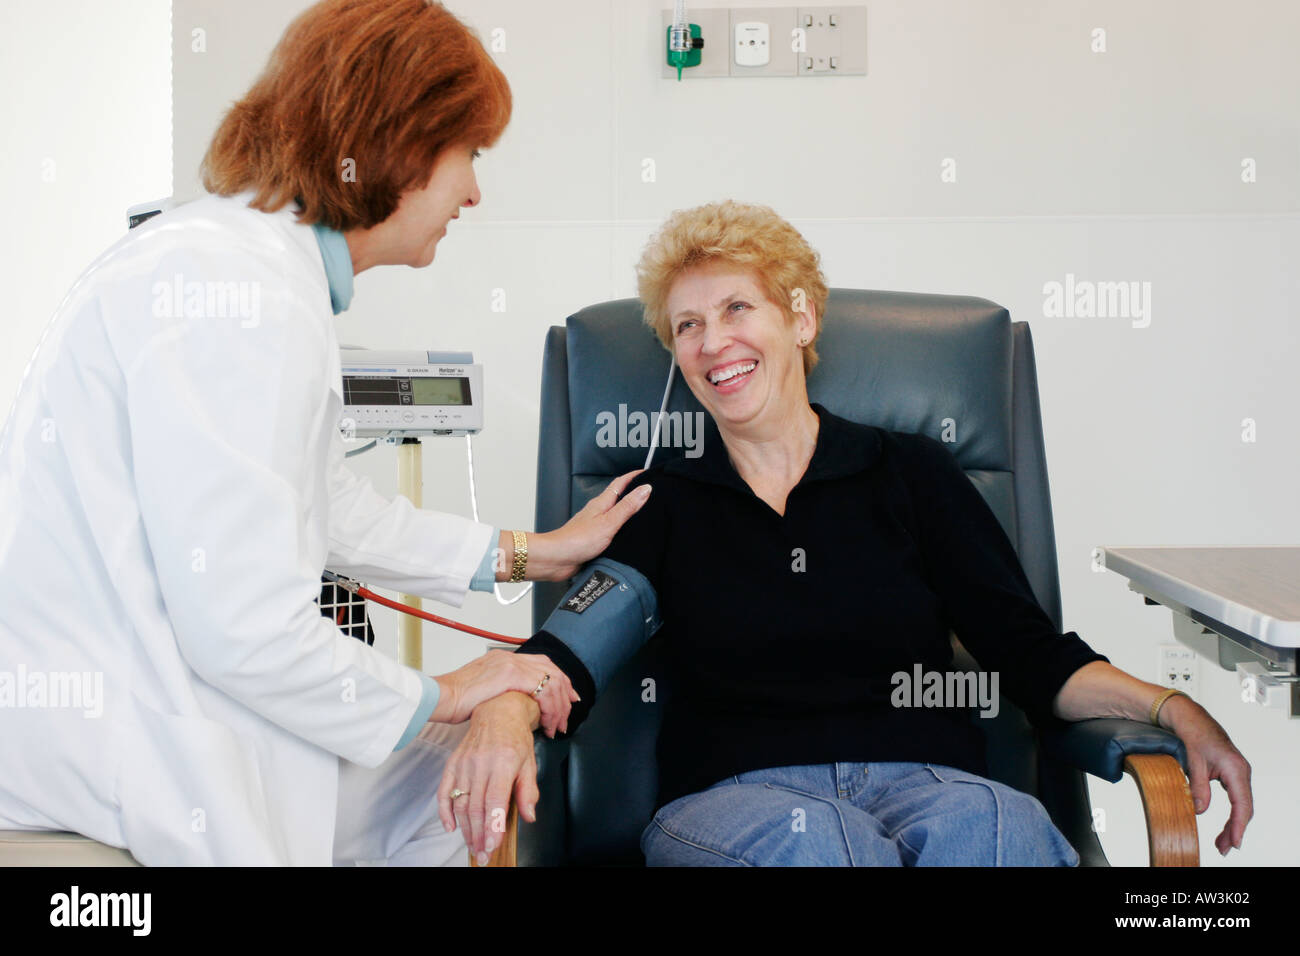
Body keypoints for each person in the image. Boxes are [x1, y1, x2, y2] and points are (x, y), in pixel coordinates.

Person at [0, 0, 649, 866]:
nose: (473, 191)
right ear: (407, 144)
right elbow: (244, 625)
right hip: (124, 747)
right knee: (453, 770)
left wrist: (535, 553)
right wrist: (449, 689)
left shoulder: (256, 271)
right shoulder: (238, 294)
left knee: (456, 783)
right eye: (471, 156)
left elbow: (326, 507)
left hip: (175, 712)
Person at [437, 200, 1254, 866]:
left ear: (801, 317)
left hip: (935, 783)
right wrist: (508, 707)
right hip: (734, 801)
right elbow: (570, 653)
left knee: (996, 834)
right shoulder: (662, 501)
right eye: (685, 326)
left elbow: (1036, 659)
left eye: (735, 308)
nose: (712, 341)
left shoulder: (912, 475)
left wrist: (1175, 707)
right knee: (825, 849)